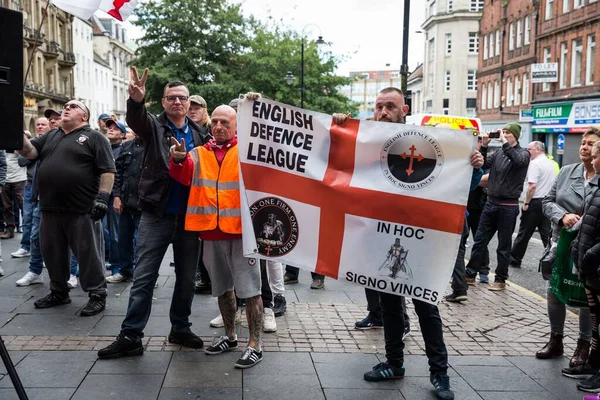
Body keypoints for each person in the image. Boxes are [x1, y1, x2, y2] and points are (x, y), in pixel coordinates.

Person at [332, 87, 483, 400]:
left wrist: (473, 165)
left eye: (390, 106)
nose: (384, 112)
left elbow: (456, 188)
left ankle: (440, 375)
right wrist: (337, 127)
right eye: (379, 106)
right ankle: (394, 363)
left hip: (421, 241)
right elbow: (336, 164)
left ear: (404, 109)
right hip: (383, 237)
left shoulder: (427, 142)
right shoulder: (366, 143)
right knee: (389, 307)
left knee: (426, 308)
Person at [97, 67, 211, 359]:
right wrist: (135, 100)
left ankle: (180, 328)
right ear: (163, 102)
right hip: (156, 215)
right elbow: (137, 119)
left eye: (182, 98)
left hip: (189, 218)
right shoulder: (154, 127)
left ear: (189, 103)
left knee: (186, 279)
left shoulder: (200, 133)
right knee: (144, 277)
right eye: (171, 97)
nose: (177, 102)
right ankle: (131, 335)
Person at [169, 102, 264, 369]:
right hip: (211, 232)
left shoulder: (248, 152)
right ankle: (230, 336)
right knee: (222, 289)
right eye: (216, 122)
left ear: (236, 126)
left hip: (243, 235)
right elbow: (182, 174)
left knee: (251, 291)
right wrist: (177, 158)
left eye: (226, 123)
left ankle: (255, 345)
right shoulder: (197, 153)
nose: (219, 126)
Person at [18, 99, 115, 316]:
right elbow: (30, 152)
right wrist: (15, 129)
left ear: (84, 116)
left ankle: (97, 294)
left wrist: (102, 198)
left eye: (73, 106)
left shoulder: (95, 137)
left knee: (88, 255)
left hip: (81, 208)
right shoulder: (52, 135)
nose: (66, 109)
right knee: (52, 254)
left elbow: (107, 170)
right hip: (50, 208)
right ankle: (59, 291)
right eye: (66, 107)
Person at [541, 128, 600, 374]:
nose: (584, 147)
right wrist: (562, 215)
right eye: (583, 143)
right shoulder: (566, 172)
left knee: (585, 297)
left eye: (591, 144)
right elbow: (546, 201)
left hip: (586, 246)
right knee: (554, 291)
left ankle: (584, 344)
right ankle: (556, 339)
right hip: (560, 243)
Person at [465, 123, 530, 291]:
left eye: (508, 133)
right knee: (479, 242)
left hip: (508, 206)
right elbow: (483, 164)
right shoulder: (499, 152)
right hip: (490, 203)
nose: (505, 135)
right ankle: (470, 275)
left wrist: (504, 143)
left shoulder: (524, 153)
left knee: (503, 246)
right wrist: (484, 146)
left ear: (515, 136)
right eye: (504, 132)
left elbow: (517, 161)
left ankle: (500, 279)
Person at [569, 140, 600, 392]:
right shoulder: (596, 185)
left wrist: (589, 255)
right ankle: (594, 363)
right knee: (596, 320)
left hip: (596, 265)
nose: (593, 160)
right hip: (589, 267)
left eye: (596, 155)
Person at [509, 141, 556, 268]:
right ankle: (553, 259)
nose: (527, 151)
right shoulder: (550, 163)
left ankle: (514, 259)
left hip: (534, 202)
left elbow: (532, 186)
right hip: (547, 202)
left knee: (524, 232)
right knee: (547, 234)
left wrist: (526, 203)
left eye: (529, 149)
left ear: (538, 150)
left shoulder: (534, 164)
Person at [106, 128, 144, 283]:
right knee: (124, 239)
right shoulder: (126, 147)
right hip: (126, 201)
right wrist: (116, 196)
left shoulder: (155, 146)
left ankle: (144, 274)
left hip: (145, 203)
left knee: (142, 241)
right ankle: (125, 271)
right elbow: (118, 174)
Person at [103, 119, 126, 277]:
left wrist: (118, 196)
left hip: (115, 197)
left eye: (116, 129)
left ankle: (117, 266)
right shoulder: (103, 149)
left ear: (123, 135)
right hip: (100, 195)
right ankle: (107, 260)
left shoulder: (123, 150)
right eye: (109, 127)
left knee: (116, 233)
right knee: (102, 232)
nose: (111, 130)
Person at [1, 151, 27, 239]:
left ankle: (27, 230)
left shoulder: (17, 142)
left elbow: (25, 158)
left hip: (20, 179)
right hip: (5, 179)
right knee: (6, 206)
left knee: (23, 205)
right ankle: (9, 230)